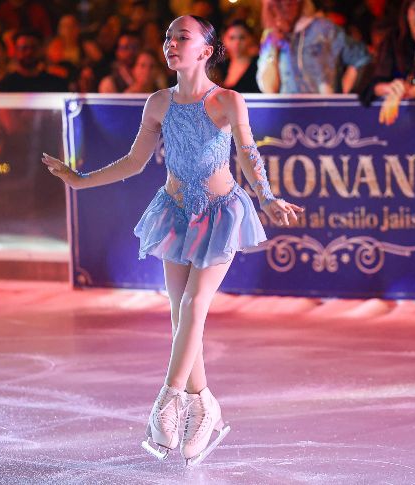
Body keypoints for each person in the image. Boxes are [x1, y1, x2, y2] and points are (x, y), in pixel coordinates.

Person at [40, 15, 304, 466]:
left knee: (193, 305)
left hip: (221, 214)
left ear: (205, 50)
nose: (170, 44)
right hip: (175, 213)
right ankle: (205, 405)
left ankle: (168, 400)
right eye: (167, 37)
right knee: (179, 314)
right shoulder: (158, 103)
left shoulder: (228, 101)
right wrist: (80, 181)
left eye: (181, 37)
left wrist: (268, 198)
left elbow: (249, 154)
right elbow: (134, 161)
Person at [257, 0, 372, 93]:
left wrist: (346, 95)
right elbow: (268, 89)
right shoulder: (270, 38)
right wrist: (273, 49)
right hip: (288, 115)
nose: (284, 7)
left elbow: (362, 58)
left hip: (324, 114)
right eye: (277, 4)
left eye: (289, 3)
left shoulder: (323, 30)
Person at [210, 20, 261, 93]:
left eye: (242, 37)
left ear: (251, 39)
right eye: (232, 38)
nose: (237, 43)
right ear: (224, 40)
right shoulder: (220, 66)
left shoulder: (259, 64)